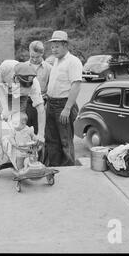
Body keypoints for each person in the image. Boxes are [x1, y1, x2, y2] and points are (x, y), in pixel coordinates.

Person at [0, 60, 46, 147]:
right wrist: (5, 109)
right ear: (15, 78)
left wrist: (41, 134)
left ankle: (15, 146)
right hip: (2, 90)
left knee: (18, 121)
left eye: (25, 88)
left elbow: (40, 108)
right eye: (21, 86)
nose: (22, 88)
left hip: (20, 98)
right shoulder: (6, 67)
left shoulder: (35, 85)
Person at [44, 30, 83, 166]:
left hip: (64, 105)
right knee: (51, 139)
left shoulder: (73, 62)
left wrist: (67, 109)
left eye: (57, 46)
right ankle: (55, 168)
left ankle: (68, 171)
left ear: (65, 45)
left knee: (65, 140)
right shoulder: (55, 61)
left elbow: (76, 86)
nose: (54, 50)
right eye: (52, 47)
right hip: (51, 104)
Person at [24, 41, 52, 133]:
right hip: (25, 104)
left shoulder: (49, 68)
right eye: (32, 56)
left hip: (41, 105)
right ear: (29, 51)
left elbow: (51, 89)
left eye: (37, 57)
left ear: (42, 53)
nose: (34, 59)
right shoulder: (22, 67)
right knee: (24, 133)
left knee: (40, 133)